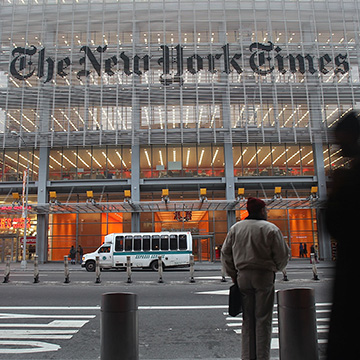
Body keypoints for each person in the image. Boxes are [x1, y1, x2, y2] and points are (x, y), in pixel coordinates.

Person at [221, 197, 289, 360]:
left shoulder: (236, 228)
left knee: (248, 319)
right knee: (263, 319)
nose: (266, 212)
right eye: (265, 210)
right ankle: (261, 357)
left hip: (242, 276)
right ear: (261, 211)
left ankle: (247, 356)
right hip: (263, 275)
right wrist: (276, 268)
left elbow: (225, 253)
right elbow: (282, 255)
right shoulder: (270, 229)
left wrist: (233, 275)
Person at [325, 111, 360, 360]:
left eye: (341, 141)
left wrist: (336, 193)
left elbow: (337, 224)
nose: (338, 148)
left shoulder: (352, 177)